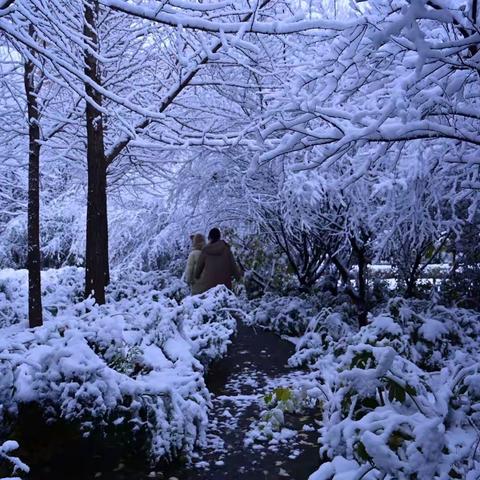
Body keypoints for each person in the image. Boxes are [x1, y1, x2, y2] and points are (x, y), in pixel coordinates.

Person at [195, 227, 242, 293]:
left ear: (210, 238)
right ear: (219, 237)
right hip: (225, 288)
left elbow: (197, 271)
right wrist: (238, 277)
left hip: (209, 289)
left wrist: (197, 276)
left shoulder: (205, 251)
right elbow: (233, 267)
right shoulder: (226, 249)